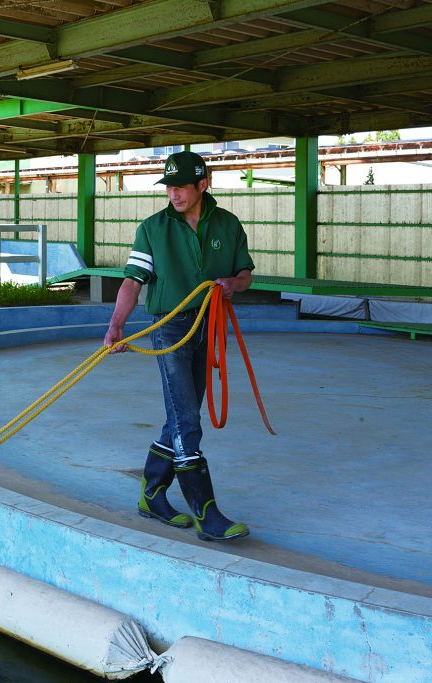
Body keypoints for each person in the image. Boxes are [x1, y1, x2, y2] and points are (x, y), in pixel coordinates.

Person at [103, 151, 255, 542]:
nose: (173, 193)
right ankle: (206, 513)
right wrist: (116, 326)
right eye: (168, 186)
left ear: (202, 185)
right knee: (187, 419)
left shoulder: (228, 224)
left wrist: (232, 285)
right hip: (170, 328)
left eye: (180, 186)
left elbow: (244, 274)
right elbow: (133, 282)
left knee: (178, 417)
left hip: (210, 325)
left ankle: (152, 494)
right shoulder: (152, 228)